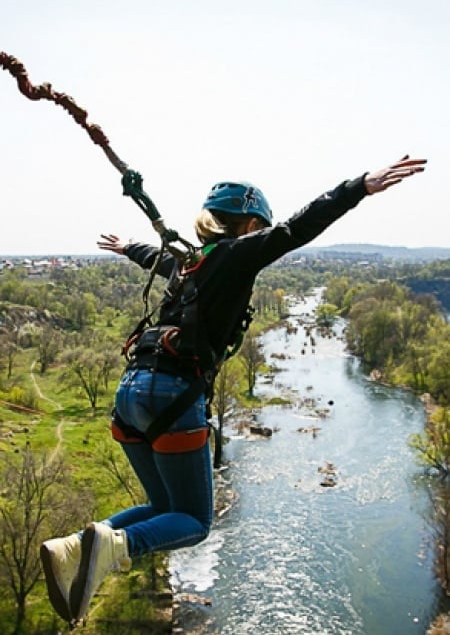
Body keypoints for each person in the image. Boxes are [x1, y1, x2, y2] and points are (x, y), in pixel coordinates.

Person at [40, 155, 426, 623]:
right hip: (173, 395)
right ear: (247, 225)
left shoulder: (191, 266)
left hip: (130, 393)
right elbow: (298, 227)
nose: (261, 235)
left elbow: (160, 260)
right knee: (196, 522)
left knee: (164, 507)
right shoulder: (238, 255)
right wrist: (358, 188)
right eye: (257, 228)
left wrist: (129, 247)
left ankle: (74, 548)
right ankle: (116, 544)